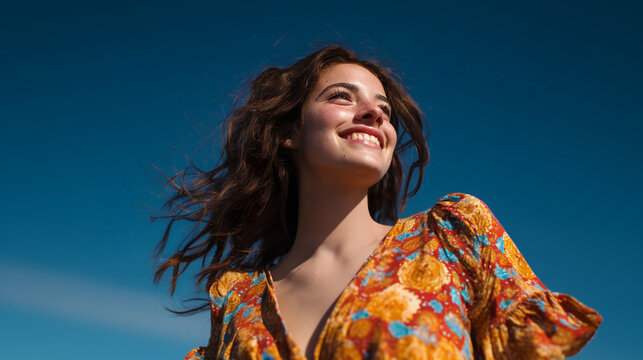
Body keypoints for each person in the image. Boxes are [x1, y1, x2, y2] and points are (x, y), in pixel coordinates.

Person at [154, 46, 602, 360]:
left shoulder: (452, 236)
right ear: (289, 133)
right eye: (341, 97)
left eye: (383, 108)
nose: (374, 114)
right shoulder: (236, 299)